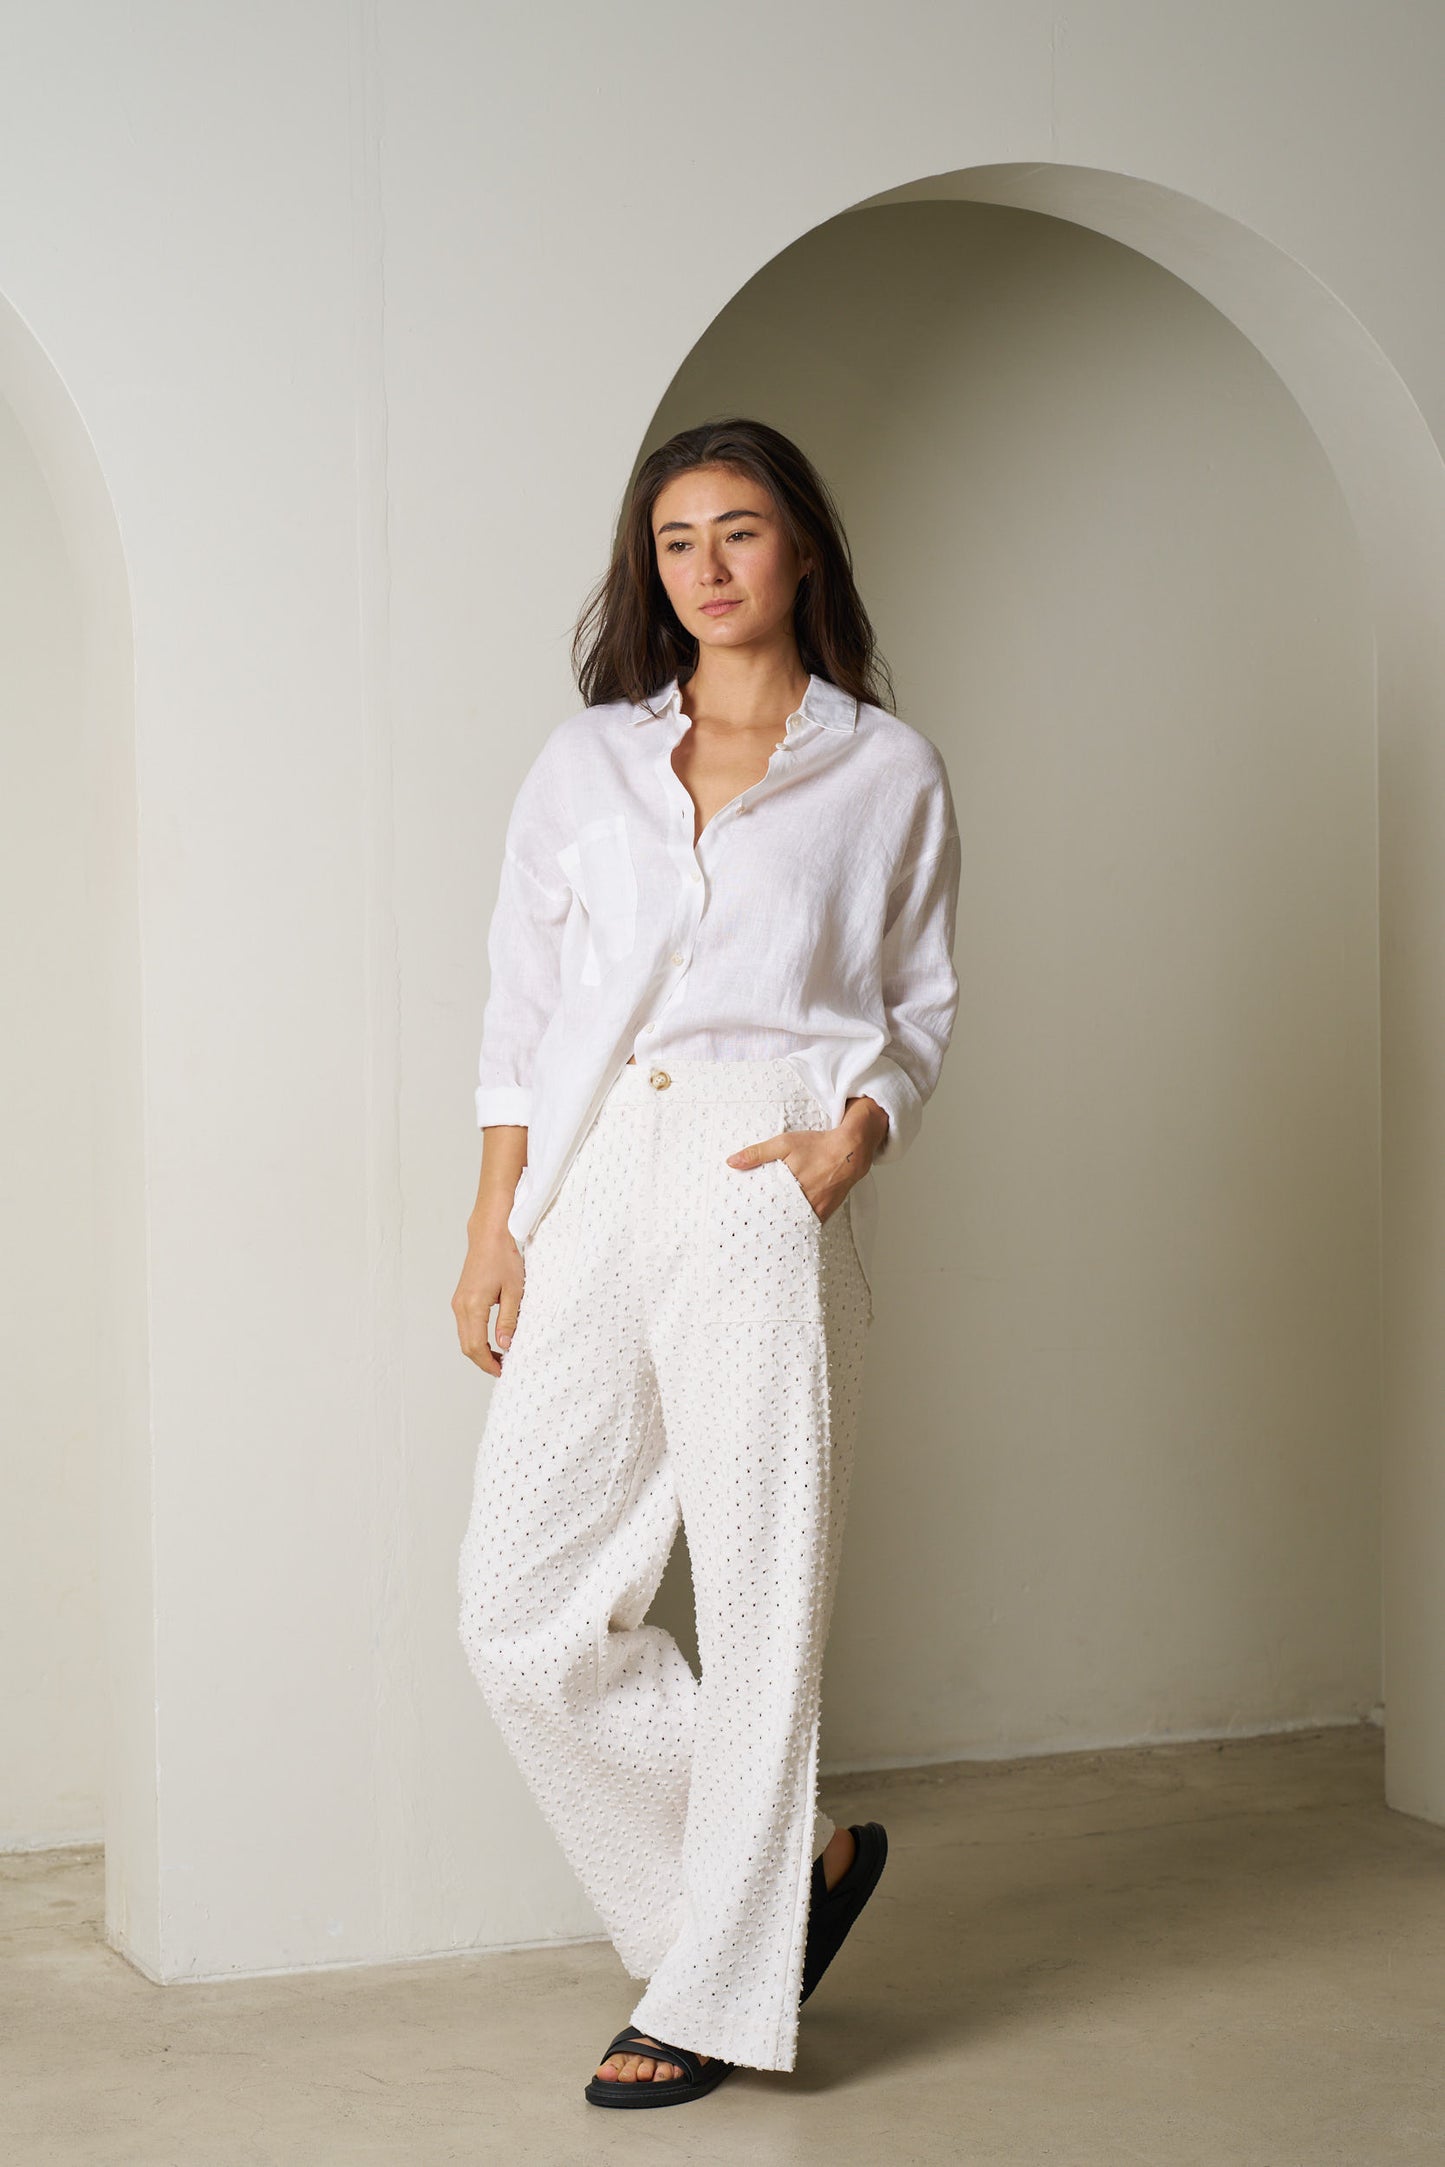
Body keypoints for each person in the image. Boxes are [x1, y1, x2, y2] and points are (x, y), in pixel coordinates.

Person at [453, 416, 961, 2109]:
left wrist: (850, 1141)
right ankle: (768, 1888)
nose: (709, 567)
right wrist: (495, 1224)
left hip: (765, 1157)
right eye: (676, 541)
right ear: (648, 568)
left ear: (799, 547)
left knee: (758, 1598)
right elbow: (524, 1014)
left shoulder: (884, 771)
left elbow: (918, 1008)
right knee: (518, 1608)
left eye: (739, 530)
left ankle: (712, 1994)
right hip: (599, 1161)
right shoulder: (585, 761)